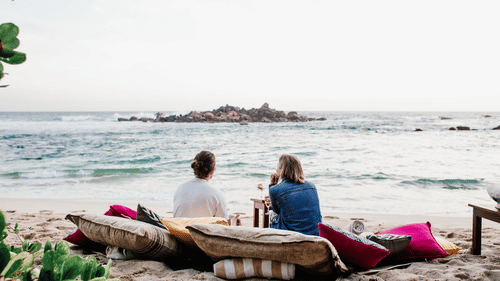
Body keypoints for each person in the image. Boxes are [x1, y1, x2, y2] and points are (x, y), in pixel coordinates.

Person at [267, 154, 322, 236]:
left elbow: (276, 210)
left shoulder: (275, 189)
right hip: (315, 234)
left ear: (281, 170)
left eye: (278, 167)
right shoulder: (312, 186)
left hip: (293, 236)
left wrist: (272, 185)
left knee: (273, 214)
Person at [173, 150, 229, 220]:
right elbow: (223, 225)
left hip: (179, 230)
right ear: (212, 170)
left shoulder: (180, 189)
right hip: (201, 230)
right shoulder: (217, 194)